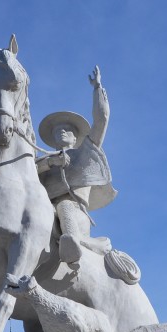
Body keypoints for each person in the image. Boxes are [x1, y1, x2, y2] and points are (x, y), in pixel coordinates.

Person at [36, 66, 117, 271]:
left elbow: (101, 120)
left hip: (74, 209)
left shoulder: (82, 155)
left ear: (75, 137)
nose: (61, 131)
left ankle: (74, 244)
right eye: (57, 130)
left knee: (64, 205)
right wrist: (50, 163)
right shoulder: (43, 159)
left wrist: (97, 89)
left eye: (66, 129)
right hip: (45, 207)